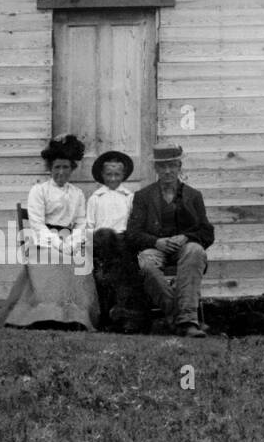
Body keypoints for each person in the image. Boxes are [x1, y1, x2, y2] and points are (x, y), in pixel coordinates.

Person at [0, 134, 100, 330]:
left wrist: (71, 243)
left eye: (66, 167)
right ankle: (46, 315)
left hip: (70, 240)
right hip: (43, 240)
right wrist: (58, 243)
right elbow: (36, 223)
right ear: (50, 169)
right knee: (53, 258)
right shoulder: (39, 190)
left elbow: (81, 222)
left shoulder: (77, 193)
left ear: (72, 169)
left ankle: (73, 317)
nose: (61, 172)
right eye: (57, 167)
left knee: (79, 260)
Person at [126, 142, 214, 337]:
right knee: (145, 264)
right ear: (155, 168)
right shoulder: (143, 196)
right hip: (155, 248)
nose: (167, 171)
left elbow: (207, 232)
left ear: (179, 167)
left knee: (195, 250)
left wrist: (186, 237)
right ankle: (183, 320)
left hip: (184, 250)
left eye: (172, 165)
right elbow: (132, 233)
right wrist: (156, 242)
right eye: (162, 166)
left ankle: (185, 320)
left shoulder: (193, 196)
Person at [85, 149, 147, 330]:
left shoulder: (129, 197)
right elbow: (89, 225)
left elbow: (133, 224)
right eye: (109, 174)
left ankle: (125, 315)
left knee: (125, 271)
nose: (113, 178)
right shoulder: (95, 198)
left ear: (124, 175)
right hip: (100, 243)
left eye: (117, 174)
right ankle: (104, 315)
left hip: (123, 243)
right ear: (102, 175)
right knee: (104, 240)